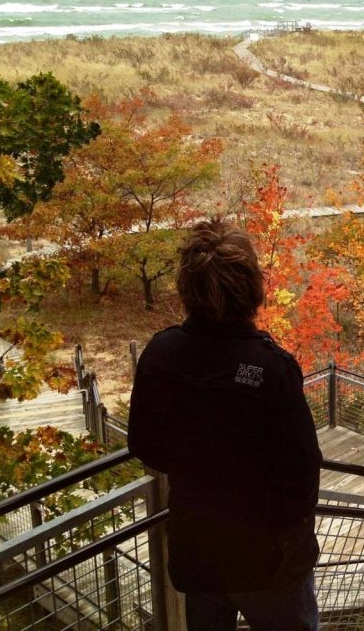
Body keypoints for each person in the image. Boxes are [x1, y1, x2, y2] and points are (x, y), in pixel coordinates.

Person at [128, 218, 322, 631]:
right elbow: (303, 475)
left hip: (197, 552)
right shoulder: (273, 369)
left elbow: (145, 444)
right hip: (268, 562)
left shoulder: (160, 355)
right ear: (252, 287)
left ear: (187, 288)